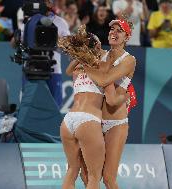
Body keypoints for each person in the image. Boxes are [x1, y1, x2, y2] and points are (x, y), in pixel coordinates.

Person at [60, 34, 129, 189]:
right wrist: (125, 96)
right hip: (87, 120)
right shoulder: (104, 68)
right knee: (94, 177)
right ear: (96, 47)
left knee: (72, 170)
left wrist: (81, 55)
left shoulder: (77, 69)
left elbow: (67, 70)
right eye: (99, 44)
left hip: (68, 120)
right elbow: (111, 100)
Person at [82, 18, 136, 189]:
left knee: (108, 178)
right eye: (111, 29)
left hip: (116, 123)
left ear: (127, 37)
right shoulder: (102, 55)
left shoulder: (129, 60)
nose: (113, 33)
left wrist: (86, 65)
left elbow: (104, 79)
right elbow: (73, 71)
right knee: (88, 175)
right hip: (96, 121)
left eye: (119, 30)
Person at [21, 0, 70, 108]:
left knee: (55, 106)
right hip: (31, 68)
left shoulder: (61, 22)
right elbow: (19, 43)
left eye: (48, 1)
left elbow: (67, 49)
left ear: (51, 4)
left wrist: (53, 38)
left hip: (54, 69)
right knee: (28, 107)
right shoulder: (28, 22)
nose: (45, 3)